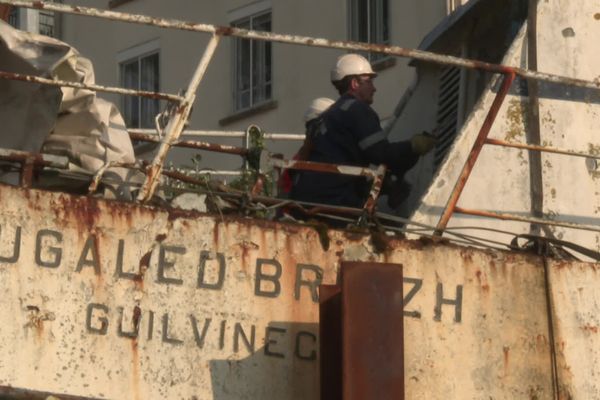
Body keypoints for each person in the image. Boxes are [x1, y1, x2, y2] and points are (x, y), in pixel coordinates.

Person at [290, 53, 436, 208]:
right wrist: (414, 146)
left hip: (304, 198)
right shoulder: (357, 110)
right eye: (369, 82)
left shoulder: (328, 115)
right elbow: (381, 154)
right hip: (333, 200)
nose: (374, 88)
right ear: (354, 83)